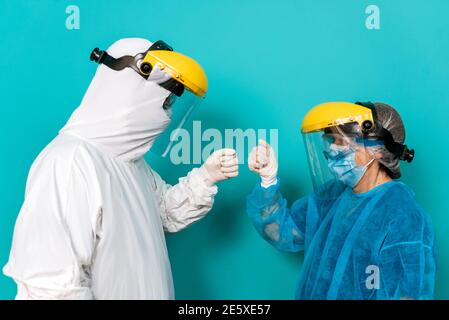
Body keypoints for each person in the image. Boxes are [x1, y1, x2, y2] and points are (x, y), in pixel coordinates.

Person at [3, 38, 239, 299]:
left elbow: (165, 213)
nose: (168, 115)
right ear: (132, 89)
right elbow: (51, 286)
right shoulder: (70, 164)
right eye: (166, 103)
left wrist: (206, 177)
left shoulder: (131, 163)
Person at [246, 101, 436, 300]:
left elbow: (409, 295)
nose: (332, 149)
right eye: (330, 141)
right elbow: (283, 232)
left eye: (340, 141)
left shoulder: (403, 216)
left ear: (378, 149)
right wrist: (268, 181)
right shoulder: (332, 196)